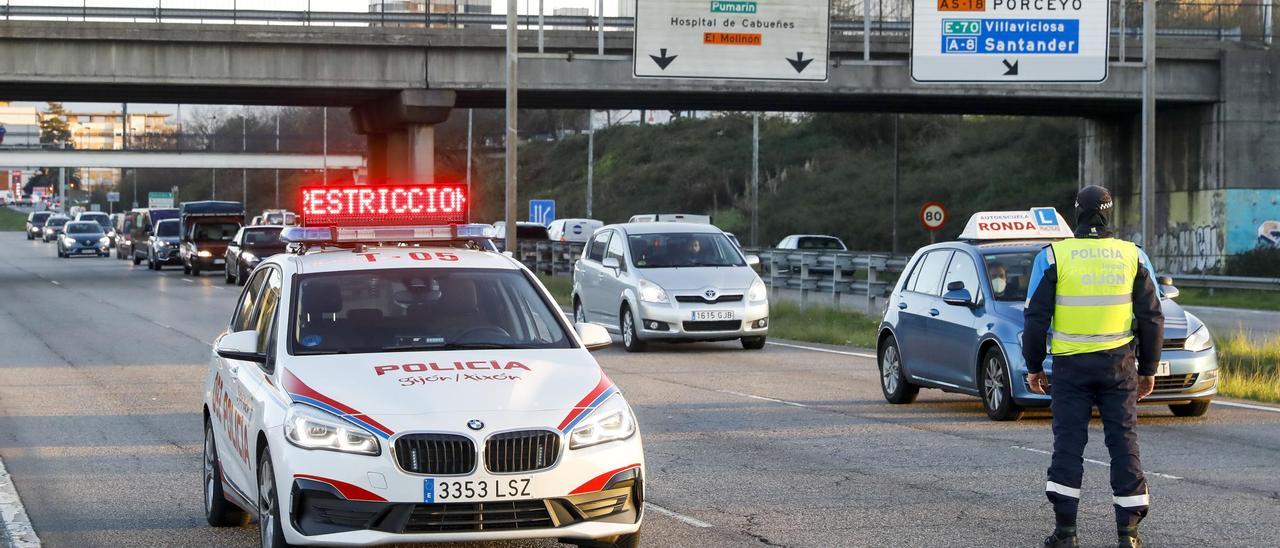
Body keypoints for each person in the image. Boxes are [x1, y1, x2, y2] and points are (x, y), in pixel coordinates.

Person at [1022, 186, 1164, 548]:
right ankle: (1128, 534)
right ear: (1110, 214)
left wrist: (1034, 365)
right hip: (1119, 366)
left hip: (1070, 367)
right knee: (1123, 443)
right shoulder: (1133, 256)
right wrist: (1148, 369)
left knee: (1069, 445)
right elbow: (1152, 318)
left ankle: (1066, 533)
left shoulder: (1053, 257)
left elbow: (1035, 319)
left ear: (1076, 215)